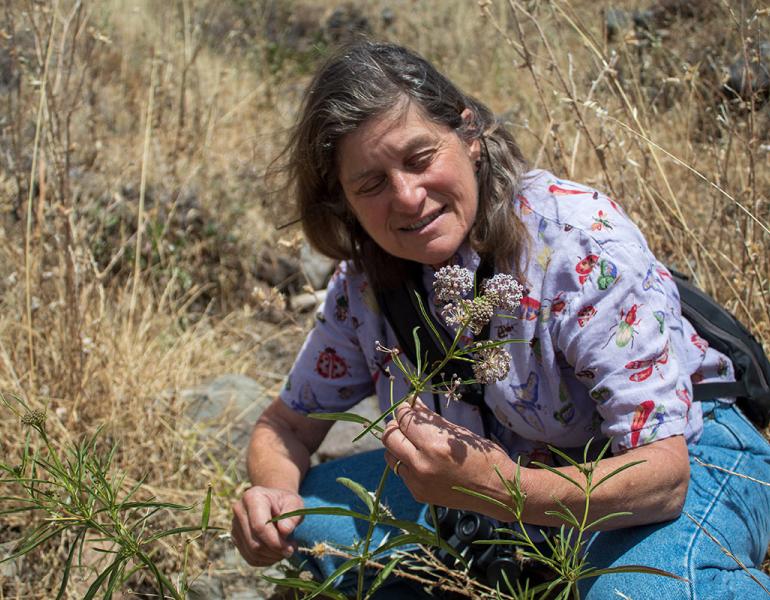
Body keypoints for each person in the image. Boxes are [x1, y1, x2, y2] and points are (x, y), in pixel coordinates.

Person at [230, 40, 770, 599]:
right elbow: (287, 426)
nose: (408, 197)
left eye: (420, 159)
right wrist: (273, 495)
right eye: (370, 184)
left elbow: (664, 477)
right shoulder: (364, 284)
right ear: (342, 200)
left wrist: (502, 491)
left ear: (470, 137)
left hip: (684, 459)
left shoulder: (573, 243)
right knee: (314, 519)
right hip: (502, 482)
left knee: (635, 594)